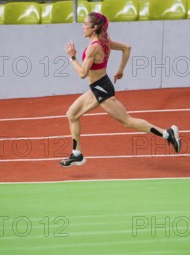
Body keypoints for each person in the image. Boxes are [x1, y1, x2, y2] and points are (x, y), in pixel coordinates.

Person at [60, 12, 181, 167]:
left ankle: (167, 133)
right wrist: (120, 70)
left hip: (101, 89)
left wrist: (72, 57)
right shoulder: (105, 42)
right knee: (71, 114)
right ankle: (77, 154)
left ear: (94, 27)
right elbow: (126, 48)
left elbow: (83, 73)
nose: (82, 27)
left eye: (85, 24)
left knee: (128, 121)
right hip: (98, 87)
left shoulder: (94, 48)